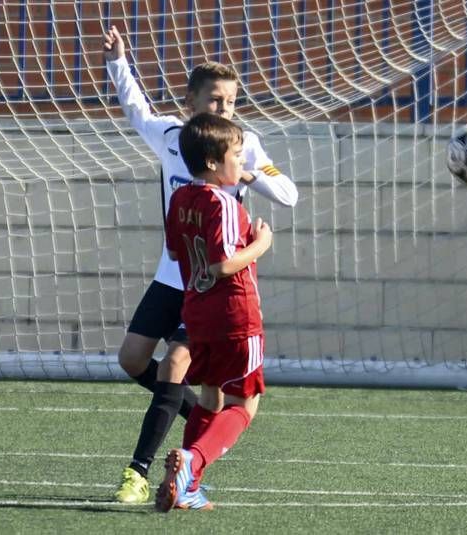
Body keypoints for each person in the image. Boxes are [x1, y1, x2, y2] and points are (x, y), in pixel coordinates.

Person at [103, 26, 298, 504]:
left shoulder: (243, 144)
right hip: (174, 277)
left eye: (230, 101)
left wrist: (249, 172)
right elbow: (136, 109)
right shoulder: (170, 136)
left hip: (213, 282)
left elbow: (289, 194)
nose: (224, 109)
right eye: (214, 100)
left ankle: (140, 472)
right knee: (133, 360)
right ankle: (201, 432)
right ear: (191, 101)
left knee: (175, 364)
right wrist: (117, 63)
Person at [155, 112, 271, 512]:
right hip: (234, 314)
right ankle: (193, 460)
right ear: (212, 163)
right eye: (236, 155)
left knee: (211, 397)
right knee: (244, 404)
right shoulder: (223, 202)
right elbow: (222, 265)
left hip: (197, 314)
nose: (242, 162)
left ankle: (188, 487)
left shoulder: (181, 197)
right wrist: (260, 244)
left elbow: (174, 251)